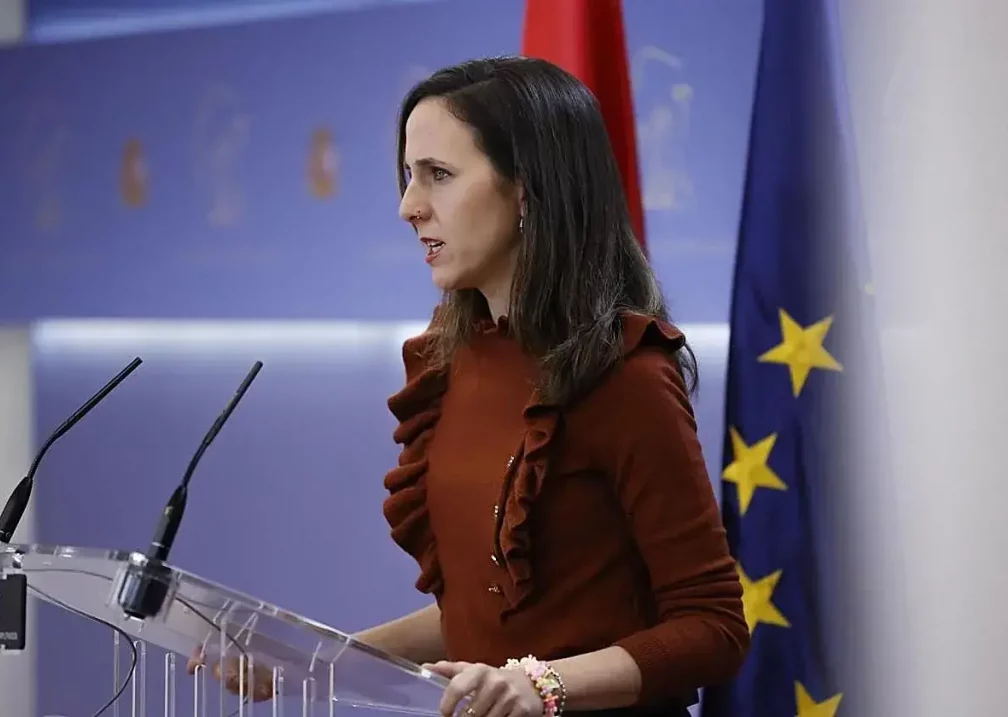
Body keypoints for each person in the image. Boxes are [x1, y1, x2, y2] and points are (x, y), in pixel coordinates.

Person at [191, 55, 749, 716]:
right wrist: (308, 659)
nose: (409, 206)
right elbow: (487, 612)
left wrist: (544, 683)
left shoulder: (626, 373)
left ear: (528, 189)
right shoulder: (451, 362)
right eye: (408, 176)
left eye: (439, 175)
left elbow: (713, 626)